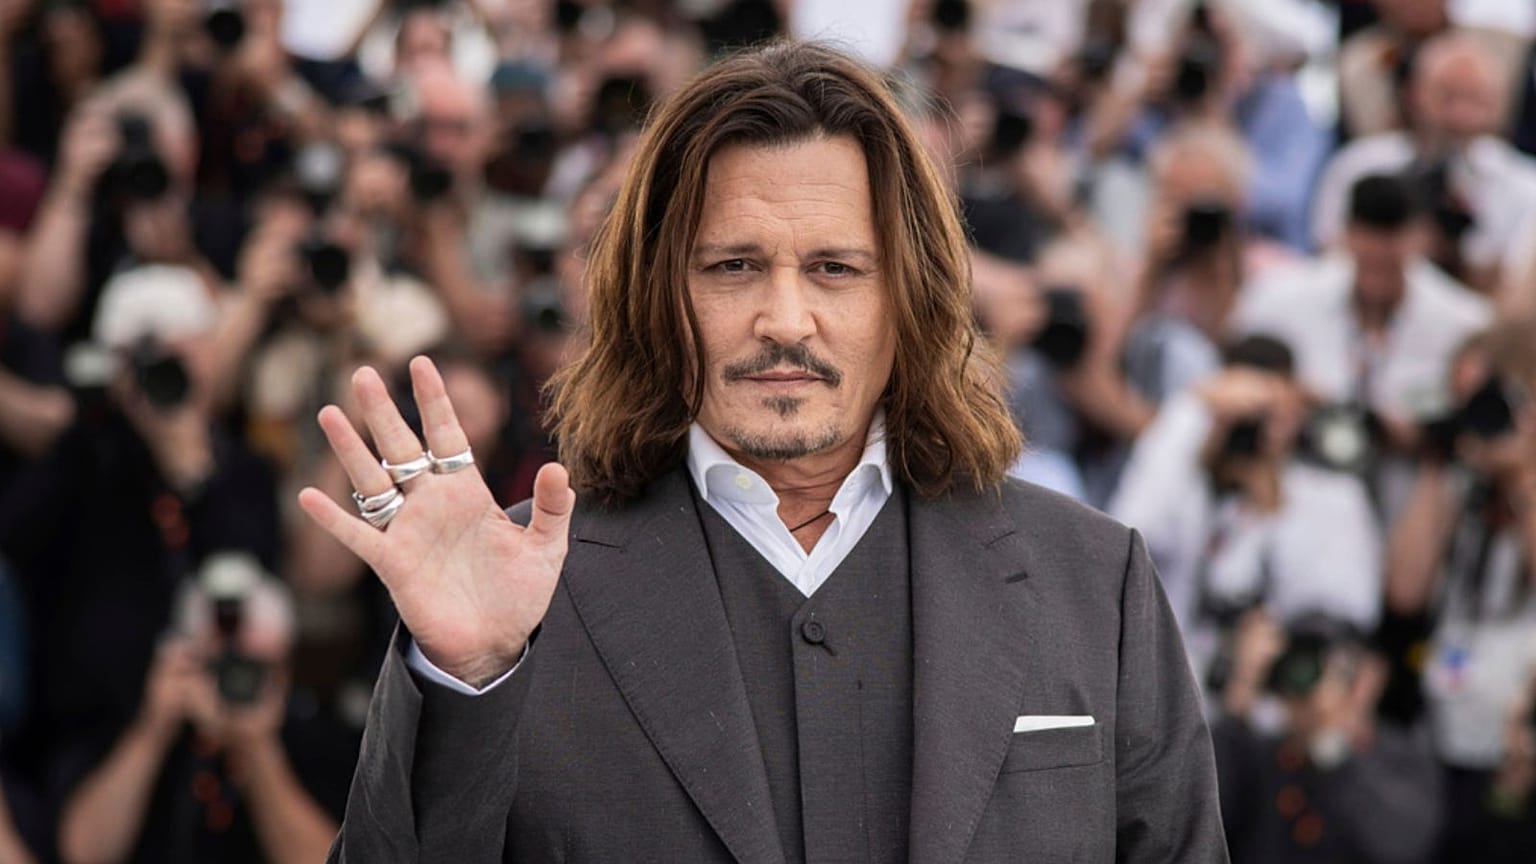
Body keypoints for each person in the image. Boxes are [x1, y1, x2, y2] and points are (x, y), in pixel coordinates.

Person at [301, 41, 1228, 862]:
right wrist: (465, 682)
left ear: (911, 296)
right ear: (660, 294)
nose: (785, 321)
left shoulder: (1094, 580)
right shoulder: (516, 600)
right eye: (734, 266)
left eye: (835, 268)